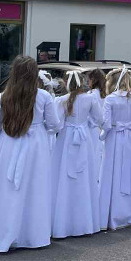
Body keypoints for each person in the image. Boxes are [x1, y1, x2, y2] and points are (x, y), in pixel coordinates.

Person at [0, 56, 62, 252]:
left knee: (6, 188)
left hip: (9, 143)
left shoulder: (2, 97)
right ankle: (32, 234)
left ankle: (2, 232)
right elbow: (55, 124)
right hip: (36, 145)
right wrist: (39, 128)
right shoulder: (44, 96)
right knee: (35, 188)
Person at [49, 70, 104, 239]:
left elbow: (57, 124)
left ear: (66, 83)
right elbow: (99, 119)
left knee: (64, 176)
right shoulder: (90, 99)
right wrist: (87, 124)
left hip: (66, 140)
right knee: (84, 177)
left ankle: (62, 223)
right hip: (84, 139)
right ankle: (84, 222)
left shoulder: (61, 100)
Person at [99, 68, 131, 232]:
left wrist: (102, 136)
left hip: (114, 137)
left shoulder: (110, 99)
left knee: (113, 172)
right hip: (130, 138)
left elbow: (106, 124)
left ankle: (113, 214)